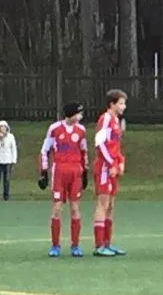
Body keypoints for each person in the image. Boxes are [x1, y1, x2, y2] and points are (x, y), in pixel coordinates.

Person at [39, 102, 88, 257]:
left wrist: (85, 171)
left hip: (75, 172)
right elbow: (45, 150)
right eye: (79, 113)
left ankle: (75, 245)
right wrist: (43, 171)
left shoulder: (81, 130)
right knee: (57, 208)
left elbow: (84, 151)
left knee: (75, 207)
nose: (81, 116)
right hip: (60, 171)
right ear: (71, 114)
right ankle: (55, 246)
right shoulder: (54, 129)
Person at [92, 89, 127, 257]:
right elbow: (100, 144)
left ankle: (107, 242)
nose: (124, 106)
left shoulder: (116, 121)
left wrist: (120, 160)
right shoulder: (105, 119)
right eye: (121, 103)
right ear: (112, 104)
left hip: (113, 167)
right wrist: (111, 163)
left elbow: (115, 146)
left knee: (111, 205)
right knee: (103, 203)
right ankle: (99, 245)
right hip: (104, 167)